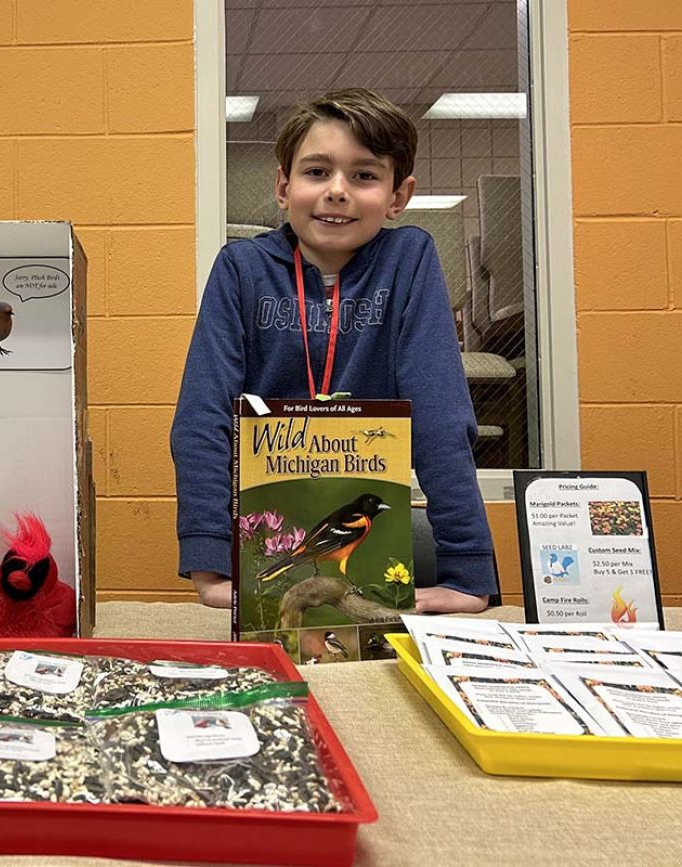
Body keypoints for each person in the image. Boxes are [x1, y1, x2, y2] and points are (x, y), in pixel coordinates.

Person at [171, 88, 496, 615]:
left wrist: (468, 567)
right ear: (283, 185)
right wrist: (210, 562)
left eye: (364, 176)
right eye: (316, 172)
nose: (337, 191)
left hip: (369, 542)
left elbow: (440, 417)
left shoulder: (408, 261)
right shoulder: (240, 270)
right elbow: (202, 418)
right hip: (266, 535)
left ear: (398, 195)